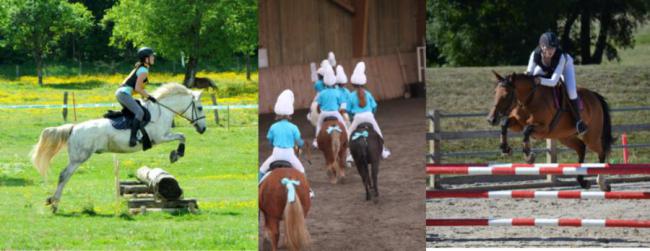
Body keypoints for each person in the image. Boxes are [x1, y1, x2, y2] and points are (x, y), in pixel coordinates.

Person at [526, 31, 587, 136]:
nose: (551, 51)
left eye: (553, 48)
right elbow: (529, 74)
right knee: (534, 77)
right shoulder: (535, 55)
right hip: (545, 68)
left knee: (571, 91)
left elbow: (554, 82)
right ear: (542, 47)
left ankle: (578, 121)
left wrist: (540, 80)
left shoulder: (561, 57)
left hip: (565, 67)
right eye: (549, 48)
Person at [114, 47, 158, 146]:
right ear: (146, 58)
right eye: (152, 56)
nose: (153, 58)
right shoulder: (143, 70)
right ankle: (133, 138)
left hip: (122, 93)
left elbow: (139, 88)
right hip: (124, 94)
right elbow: (138, 88)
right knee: (139, 112)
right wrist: (149, 96)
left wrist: (145, 97)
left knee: (136, 112)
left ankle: (132, 134)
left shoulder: (142, 68)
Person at [347, 62, 391, 159]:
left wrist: (351, 118)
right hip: (369, 116)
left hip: (357, 117)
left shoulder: (350, 95)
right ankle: (383, 151)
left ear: (353, 84)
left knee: (348, 134)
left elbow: (348, 110)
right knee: (379, 133)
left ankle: (349, 155)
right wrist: (372, 115)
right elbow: (374, 106)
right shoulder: (368, 94)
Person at [259, 90, 306, 177]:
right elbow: (299, 142)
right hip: (289, 154)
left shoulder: (273, 126)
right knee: (302, 171)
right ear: (289, 115)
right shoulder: (294, 127)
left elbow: (270, 142)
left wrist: (273, 145)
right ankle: (307, 190)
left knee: (262, 170)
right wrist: (302, 144)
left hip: (276, 153)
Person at [313, 64, 348, 148]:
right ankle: (347, 139)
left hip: (324, 113)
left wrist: (320, 111)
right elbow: (343, 105)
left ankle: (316, 141)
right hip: (335, 113)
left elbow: (318, 107)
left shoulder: (322, 93)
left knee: (318, 126)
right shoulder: (337, 92)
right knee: (344, 126)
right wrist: (340, 111)